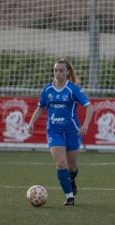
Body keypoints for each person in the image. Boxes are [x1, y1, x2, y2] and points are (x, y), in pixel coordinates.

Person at [27, 58, 94, 206]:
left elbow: (89, 107)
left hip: (72, 131)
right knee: (61, 163)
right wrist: (31, 123)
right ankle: (69, 197)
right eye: (56, 70)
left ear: (67, 72)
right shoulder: (47, 90)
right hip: (54, 131)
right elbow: (40, 108)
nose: (58, 73)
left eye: (61, 70)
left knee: (72, 167)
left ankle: (72, 179)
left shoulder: (73, 89)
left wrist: (85, 125)